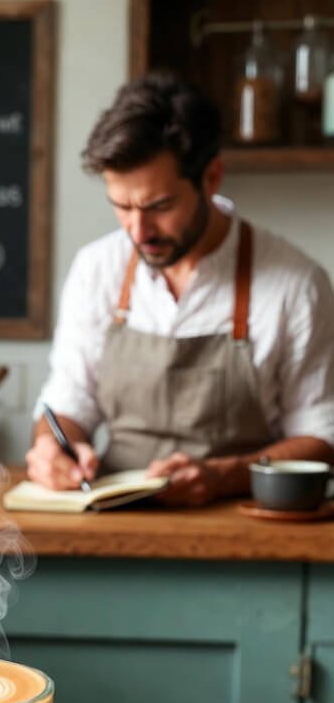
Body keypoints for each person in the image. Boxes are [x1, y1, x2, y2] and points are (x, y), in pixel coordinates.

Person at [27, 71, 334, 506]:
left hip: (240, 527)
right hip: (116, 520)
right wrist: (52, 447)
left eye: (159, 207)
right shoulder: (96, 269)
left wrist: (225, 476)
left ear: (211, 178)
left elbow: (322, 437)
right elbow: (68, 402)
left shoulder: (296, 285)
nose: (138, 230)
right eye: (121, 207)